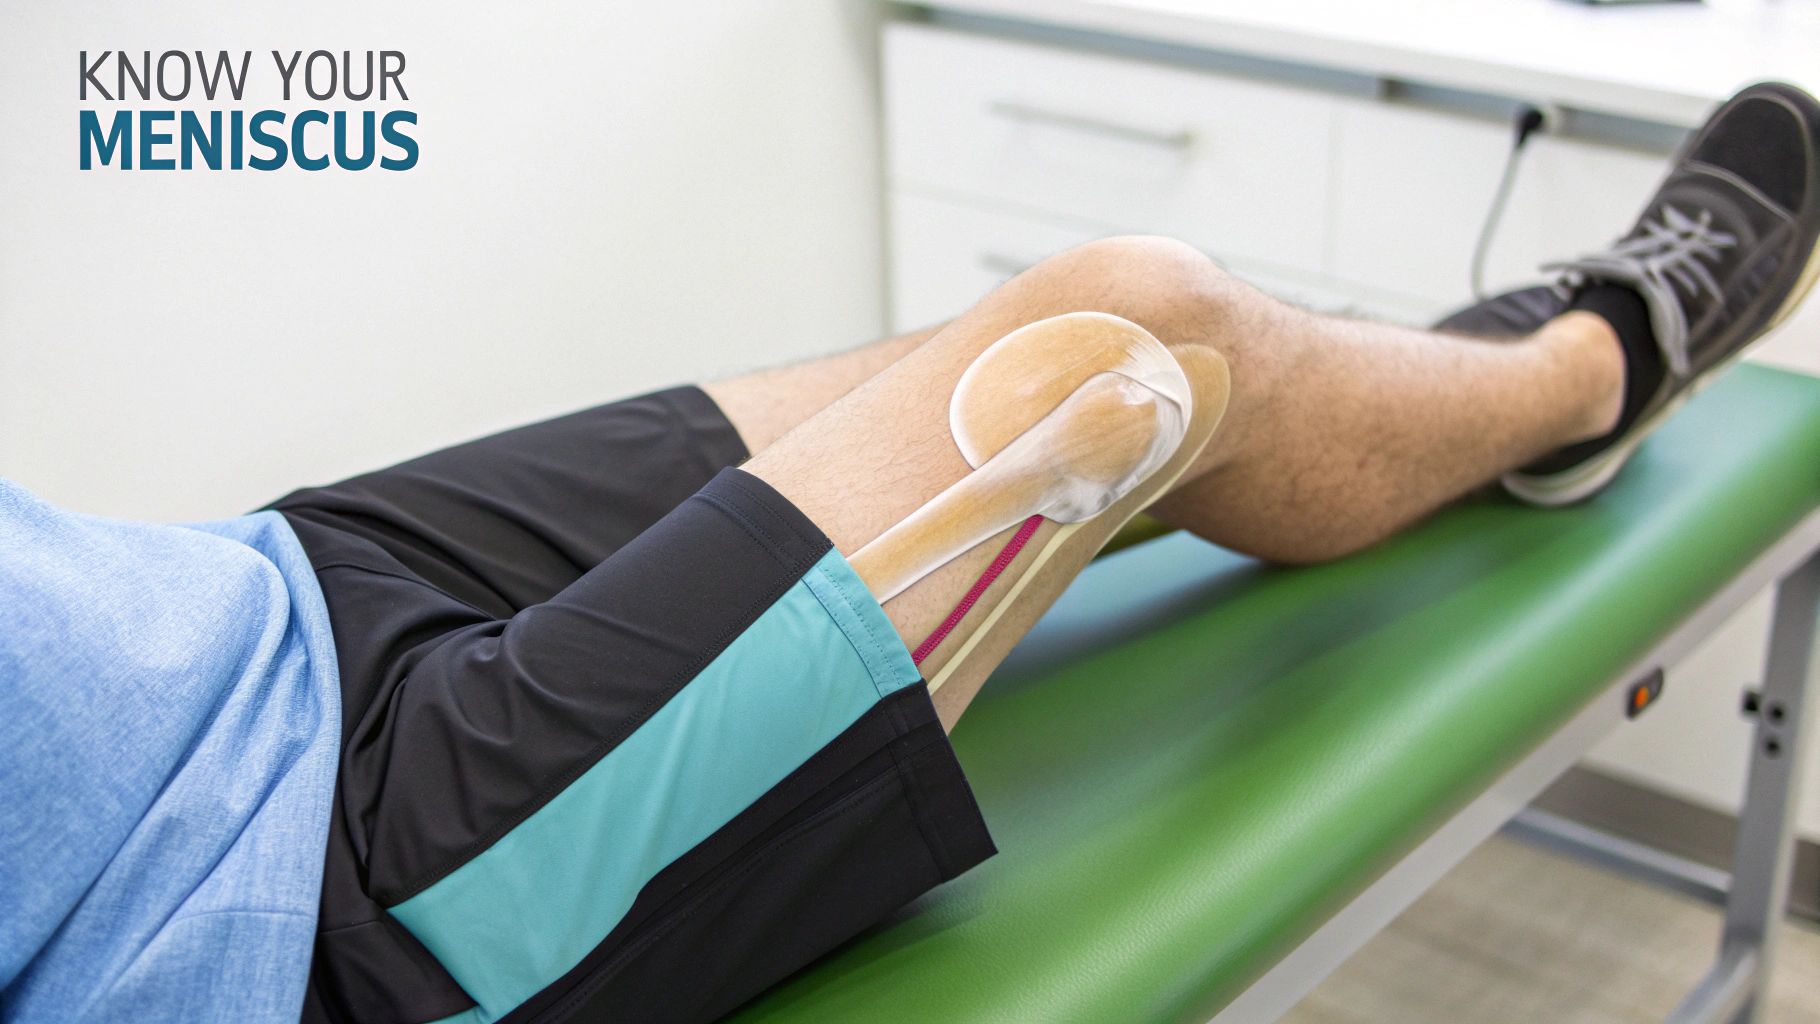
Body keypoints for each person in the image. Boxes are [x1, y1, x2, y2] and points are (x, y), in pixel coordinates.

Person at [3, 81, 1816, 1024]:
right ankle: (1594, 367)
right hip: (326, 905)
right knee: (1124, 353)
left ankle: (1405, 397)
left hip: (248, 607)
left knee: (1043, 383)